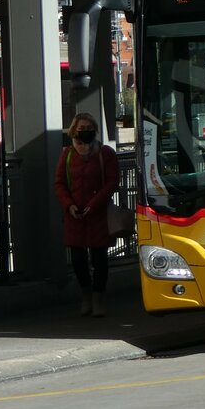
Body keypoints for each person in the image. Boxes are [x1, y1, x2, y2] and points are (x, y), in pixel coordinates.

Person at [54, 112, 119, 317]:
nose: (85, 133)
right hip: (75, 217)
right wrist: (69, 205)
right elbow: (60, 183)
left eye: (89, 129)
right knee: (78, 261)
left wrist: (94, 203)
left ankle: (99, 300)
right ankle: (86, 297)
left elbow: (112, 182)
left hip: (97, 215)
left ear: (95, 130)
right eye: (81, 129)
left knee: (100, 260)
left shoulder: (105, 153)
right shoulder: (67, 154)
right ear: (74, 131)